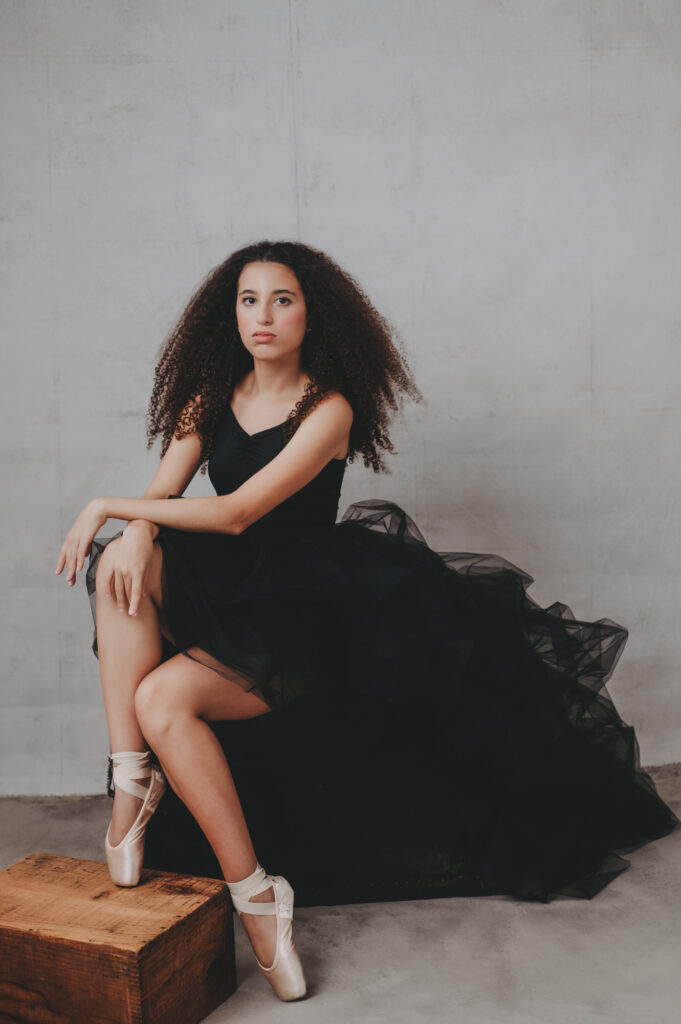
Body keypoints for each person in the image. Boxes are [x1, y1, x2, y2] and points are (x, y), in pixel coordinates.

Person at [56, 239, 679, 1003]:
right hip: (227, 591)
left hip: (306, 608)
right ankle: (142, 786)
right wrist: (136, 527)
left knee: (154, 676)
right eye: (248, 300)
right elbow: (166, 497)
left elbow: (238, 512)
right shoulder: (206, 396)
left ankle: (251, 892)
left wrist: (107, 505)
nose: (263, 316)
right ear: (231, 314)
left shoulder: (330, 408)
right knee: (121, 558)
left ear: (311, 316)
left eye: (282, 299)